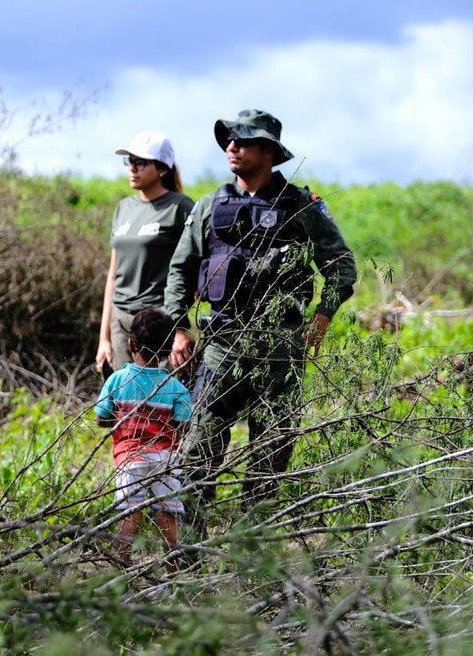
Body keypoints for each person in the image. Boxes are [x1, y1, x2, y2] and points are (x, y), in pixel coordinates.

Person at [164, 109, 358, 527]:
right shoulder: (208, 205)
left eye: (243, 140)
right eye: (229, 140)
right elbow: (180, 270)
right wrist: (179, 329)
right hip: (221, 343)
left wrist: (322, 316)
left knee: (271, 450)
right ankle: (191, 551)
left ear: (268, 151)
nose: (232, 147)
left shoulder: (301, 206)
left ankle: (250, 553)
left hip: (280, 347)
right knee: (199, 447)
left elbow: (342, 265)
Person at [95, 308, 192, 566]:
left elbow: (100, 418)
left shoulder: (116, 381)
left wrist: (123, 420)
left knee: (130, 516)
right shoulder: (177, 388)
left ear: (131, 343)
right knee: (167, 517)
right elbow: (183, 427)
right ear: (170, 347)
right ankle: (173, 577)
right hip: (167, 460)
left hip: (130, 460)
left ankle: (122, 573)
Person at [95, 130, 194, 378]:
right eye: (129, 161)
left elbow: (195, 267)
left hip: (158, 320)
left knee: (159, 404)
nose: (132, 168)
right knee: (124, 404)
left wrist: (179, 325)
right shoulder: (124, 207)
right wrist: (103, 338)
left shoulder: (180, 207)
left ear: (162, 169)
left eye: (140, 162)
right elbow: (113, 276)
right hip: (120, 320)